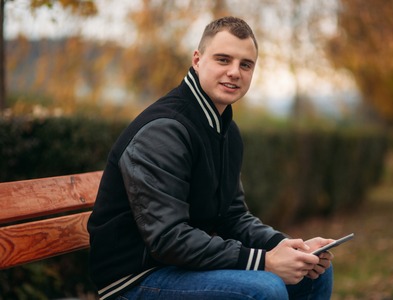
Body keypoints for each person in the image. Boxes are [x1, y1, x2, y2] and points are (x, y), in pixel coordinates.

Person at [87, 16, 334, 300]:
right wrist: (264, 261)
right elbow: (169, 238)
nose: (234, 72)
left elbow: (233, 216)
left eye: (245, 64)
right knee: (265, 289)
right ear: (197, 60)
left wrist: (288, 247)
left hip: (181, 266)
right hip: (134, 277)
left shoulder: (225, 131)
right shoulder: (164, 130)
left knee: (315, 272)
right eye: (223, 59)